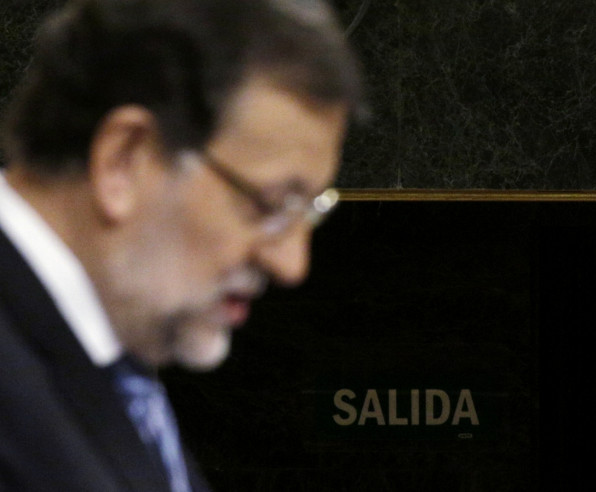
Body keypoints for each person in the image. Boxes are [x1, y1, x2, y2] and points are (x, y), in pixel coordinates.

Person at [0, 0, 364, 490]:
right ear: (123, 160)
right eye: (272, 204)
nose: (292, 265)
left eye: (310, 211)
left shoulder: (110, 364)